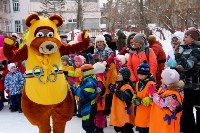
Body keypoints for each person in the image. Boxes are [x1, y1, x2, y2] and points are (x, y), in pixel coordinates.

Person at [175, 27, 200, 133]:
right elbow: (180, 65)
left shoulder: (196, 50)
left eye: (186, 36)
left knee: (187, 111)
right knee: (183, 111)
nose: (183, 39)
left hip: (192, 85)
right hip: (182, 84)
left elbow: (188, 66)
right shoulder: (184, 48)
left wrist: (179, 55)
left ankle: (191, 130)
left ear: (193, 39)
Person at [148, 68, 184, 133]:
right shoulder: (164, 89)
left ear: (168, 81)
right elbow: (158, 99)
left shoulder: (173, 94)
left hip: (167, 125)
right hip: (161, 121)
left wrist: (153, 94)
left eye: (163, 79)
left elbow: (163, 103)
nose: (161, 80)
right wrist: (152, 93)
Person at [70, 64, 98, 133]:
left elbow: (85, 94)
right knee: (87, 125)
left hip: (89, 106)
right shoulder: (86, 80)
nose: (81, 73)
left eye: (82, 71)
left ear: (86, 72)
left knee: (87, 125)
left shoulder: (90, 81)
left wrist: (74, 88)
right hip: (86, 106)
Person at [132, 61, 156, 133]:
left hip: (148, 115)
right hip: (140, 114)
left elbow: (155, 98)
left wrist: (148, 99)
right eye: (138, 74)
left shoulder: (151, 84)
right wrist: (134, 97)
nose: (140, 76)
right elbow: (136, 92)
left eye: (142, 74)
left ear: (147, 74)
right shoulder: (138, 83)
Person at [110, 67, 134, 133]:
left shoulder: (127, 87)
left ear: (125, 76)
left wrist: (115, 90)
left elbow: (125, 98)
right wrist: (112, 87)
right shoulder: (119, 84)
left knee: (126, 129)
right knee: (120, 127)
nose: (118, 75)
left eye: (120, 74)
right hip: (119, 112)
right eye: (118, 74)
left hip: (125, 113)